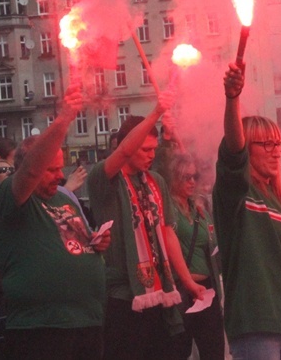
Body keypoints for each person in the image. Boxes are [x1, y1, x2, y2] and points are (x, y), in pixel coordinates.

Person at [0, 83, 111, 360]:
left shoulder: (63, 199)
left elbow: (76, 242)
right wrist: (65, 117)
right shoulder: (8, 198)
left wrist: (96, 243)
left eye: (60, 167)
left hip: (86, 320)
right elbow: (30, 172)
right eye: (51, 169)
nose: (60, 175)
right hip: (41, 327)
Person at [213, 62, 281, 360]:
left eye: (278, 143)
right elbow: (233, 152)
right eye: (266, 144)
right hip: (256, 322)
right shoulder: (235, 193)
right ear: (248, 148)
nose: (276, 151)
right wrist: (232, 98)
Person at [87, 91, 205, 360]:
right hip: (122, 296)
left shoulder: (155, 181)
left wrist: (187, 281)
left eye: (154, 149)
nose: (151, 155)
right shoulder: (104, 177)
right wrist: (156, 112)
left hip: (159, 292)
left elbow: (167, 232)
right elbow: (125, 150)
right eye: (145, 149)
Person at [154, 151, 225, 359]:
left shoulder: (198, 207)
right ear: (175, 178)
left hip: (207, 291)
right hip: (182, 291)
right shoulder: (168, 209)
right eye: (187, 177)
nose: (192, 182)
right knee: (178, 351)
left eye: (195, 176)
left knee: (213, 352)